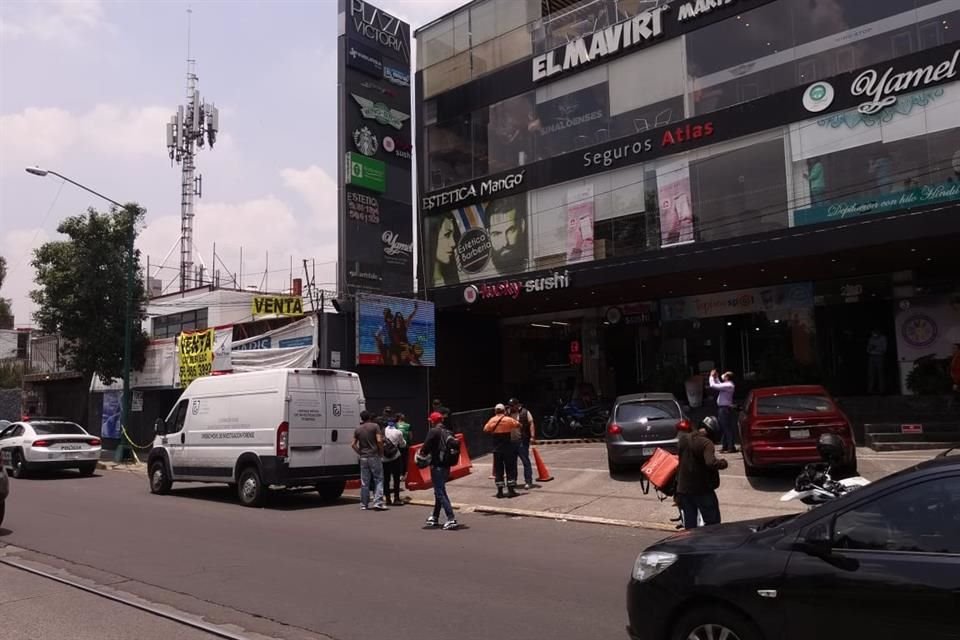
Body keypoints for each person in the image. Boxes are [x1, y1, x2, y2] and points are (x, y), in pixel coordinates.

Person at [676, 416, 728, 529]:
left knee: (690, 525)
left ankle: (692, 544)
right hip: (702, 489)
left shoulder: (683, 439)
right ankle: (710, 545)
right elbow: (710, 462)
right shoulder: (706, 443)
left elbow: (680, 463)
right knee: (713, 524)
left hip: (684, 490)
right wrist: (723, 463)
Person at [420, 412, 458, 530]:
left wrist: (421, 456)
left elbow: (425, 448)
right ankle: (435, 516)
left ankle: (451, 518)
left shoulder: (433, 431)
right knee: (439, 492)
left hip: (437, 466)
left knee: (440, 492)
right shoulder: (448, 431)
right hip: (446, 465)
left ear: (433, 421)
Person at [483, 403, 522, 498]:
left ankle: (500, 492)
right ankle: (511, 490)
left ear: (495, 411)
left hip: (497, 449)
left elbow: (485, 429)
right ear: (504, 410)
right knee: (510, 469)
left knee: (499, 470)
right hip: (508, 448)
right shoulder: (508, 419)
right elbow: (519, 425)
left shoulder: (492, 420)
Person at [352, 410, 387, 511]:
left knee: (364, 481)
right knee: (378, 479)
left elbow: (353, 444)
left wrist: (360, 452)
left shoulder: (358, 429)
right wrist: (381, 452)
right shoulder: (375, 426)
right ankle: (378, 502)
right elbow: (379, 440)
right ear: (370, 417)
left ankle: (364, 504)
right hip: (374, 456)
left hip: (363, 457)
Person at [508, 397, 537, 489]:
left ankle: (528, 481)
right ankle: (513, 481)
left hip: (522, 440)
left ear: (517, 405)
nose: (511, 407)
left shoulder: (525, 412)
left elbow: (531, 423)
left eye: (513, 406)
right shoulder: (507, 413)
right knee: (512, 462)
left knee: (525, 461)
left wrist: (532, 436)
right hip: (511, 441)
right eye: (510, 406)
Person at [709, 369, 737, 453]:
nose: (723, 375)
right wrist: (716, 377)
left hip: (724, 409)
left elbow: (713, 386)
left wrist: (711, 376)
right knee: (724, 427)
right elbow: (719, 385)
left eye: (725, 375)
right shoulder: (727, 385)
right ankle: (725, 446)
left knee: (726, 428)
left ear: (728, 377)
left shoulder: (729, 385)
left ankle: (731, 446)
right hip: (723, 408)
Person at [383, 420, 407, 506]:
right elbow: (402, 444)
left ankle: (388, 499)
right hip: (395, 457)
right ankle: (396, 498)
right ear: (395, 423)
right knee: (396, 479)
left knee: (386, 479)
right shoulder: (398, 432)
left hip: (384, 459)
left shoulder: (382, 431)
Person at [867, 328, 888, 395]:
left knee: (880, 374)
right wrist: (871, 348)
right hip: (872, 357)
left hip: (880, 357)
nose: (873, 335)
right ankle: (870, 391)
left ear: (878, 332)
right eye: (872, 334)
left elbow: (884, 349)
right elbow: (867, 350)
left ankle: (882, 391)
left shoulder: (883, 338)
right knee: (871, 374)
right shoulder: (871, 338)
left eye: (875, 333)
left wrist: (874, 347)